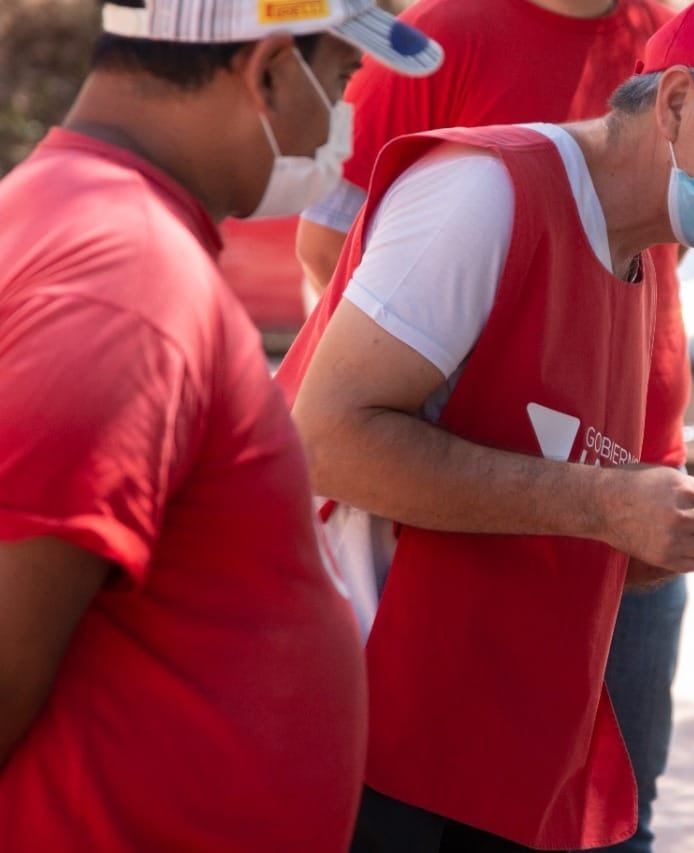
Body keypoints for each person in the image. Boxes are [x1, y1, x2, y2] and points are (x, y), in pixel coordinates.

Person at [273, 0, 694, 849]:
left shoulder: (645, 263)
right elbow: (327, 441)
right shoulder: (487, 191)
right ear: (671, 102)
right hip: (368, 735)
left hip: (486, 748)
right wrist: (605, 503)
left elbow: (570, 515)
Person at [0, 0, 442, 848]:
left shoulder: (80, 212)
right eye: (343, 80)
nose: (345, 120)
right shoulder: (123, 269)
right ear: (271, 70)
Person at [292, 4, 685, 849]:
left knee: (601, 817)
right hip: (487, 527)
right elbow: (343, 246)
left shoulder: (659, 30)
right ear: (678, 106)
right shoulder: (450, 41)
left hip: (622, 493)